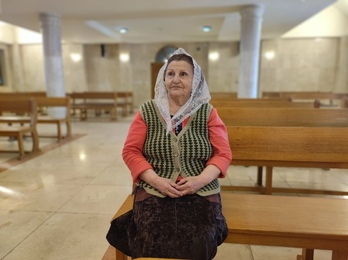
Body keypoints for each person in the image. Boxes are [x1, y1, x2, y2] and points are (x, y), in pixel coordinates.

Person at [107, 48, 232, 260]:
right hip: (155, 190)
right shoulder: (148, 110)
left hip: (199, 191)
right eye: (170, 73)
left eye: (183, 74)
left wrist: (199, 180)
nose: (176, 79)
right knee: (152, 235)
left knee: (200, 237)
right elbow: (131, 151)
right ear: (163, 79)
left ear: (195, 81)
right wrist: (156, 180)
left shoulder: (207, 112)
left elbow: (222, 154)